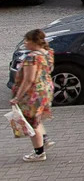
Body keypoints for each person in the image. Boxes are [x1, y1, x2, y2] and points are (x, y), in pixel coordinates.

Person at [10, 29, 55, 162]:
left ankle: (39, 153)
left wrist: (17, 97)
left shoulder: (31, 58)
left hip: (33, 94)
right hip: (45, 90)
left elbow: (28, 80)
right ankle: (44, 139)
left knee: (31, 122)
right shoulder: (47, 53)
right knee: (37, 117)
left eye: (27, 40)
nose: (25, 43)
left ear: (34, 42)